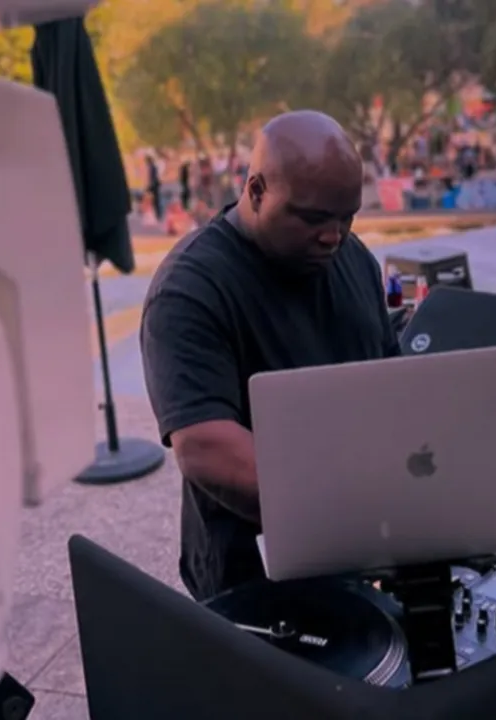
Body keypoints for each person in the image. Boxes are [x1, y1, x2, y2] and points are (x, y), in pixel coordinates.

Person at [140, 111, 399, 602]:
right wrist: (350, 510)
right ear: (256, 190)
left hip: (357, 545)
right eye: (312, 218)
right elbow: (204, 446)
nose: (333, 236)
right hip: (249, 575)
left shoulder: (353, 258)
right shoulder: (189, 289)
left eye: (346, 217)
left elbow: (389, 380)